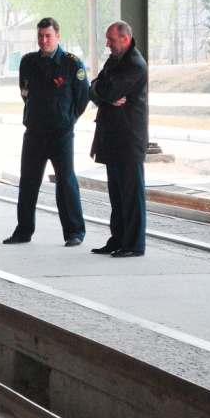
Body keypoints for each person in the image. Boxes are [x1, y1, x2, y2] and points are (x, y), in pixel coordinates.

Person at [4, 18, 90, 247]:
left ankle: (74, 232)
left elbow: (83, 97)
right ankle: (23, 231)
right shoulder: (28, 62)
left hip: (60, 134)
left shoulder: (71, 64)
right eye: (40, 35)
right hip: (34, 132)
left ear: (57, 36)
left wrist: (67, 118)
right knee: (28, 182)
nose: (44, 40)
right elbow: (25, 92)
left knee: (66, 182)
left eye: (48, 35)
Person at [89, 21, 149, 258]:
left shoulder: (134, 64)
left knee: (131, 195)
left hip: (128, 138)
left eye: (111, 40)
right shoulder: (115, 60)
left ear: (124, 39)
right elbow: (93, 87)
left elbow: (108, 90)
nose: (108, 44)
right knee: (116, 195)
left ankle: (134, 244)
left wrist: (103, 93)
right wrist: (104, 94)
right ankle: (118, 239)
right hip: (113, 138)